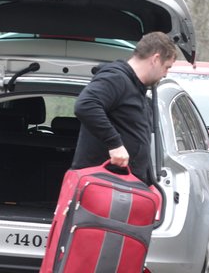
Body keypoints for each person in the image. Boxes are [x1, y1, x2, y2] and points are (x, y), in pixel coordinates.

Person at [71, 31, 179, 185]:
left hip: (123, 188)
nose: (166, 74)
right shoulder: (116, 78)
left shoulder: (137, 89)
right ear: (155, 59)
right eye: (166, 67)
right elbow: (86, 105)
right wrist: (115, 144)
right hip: (102, 187)